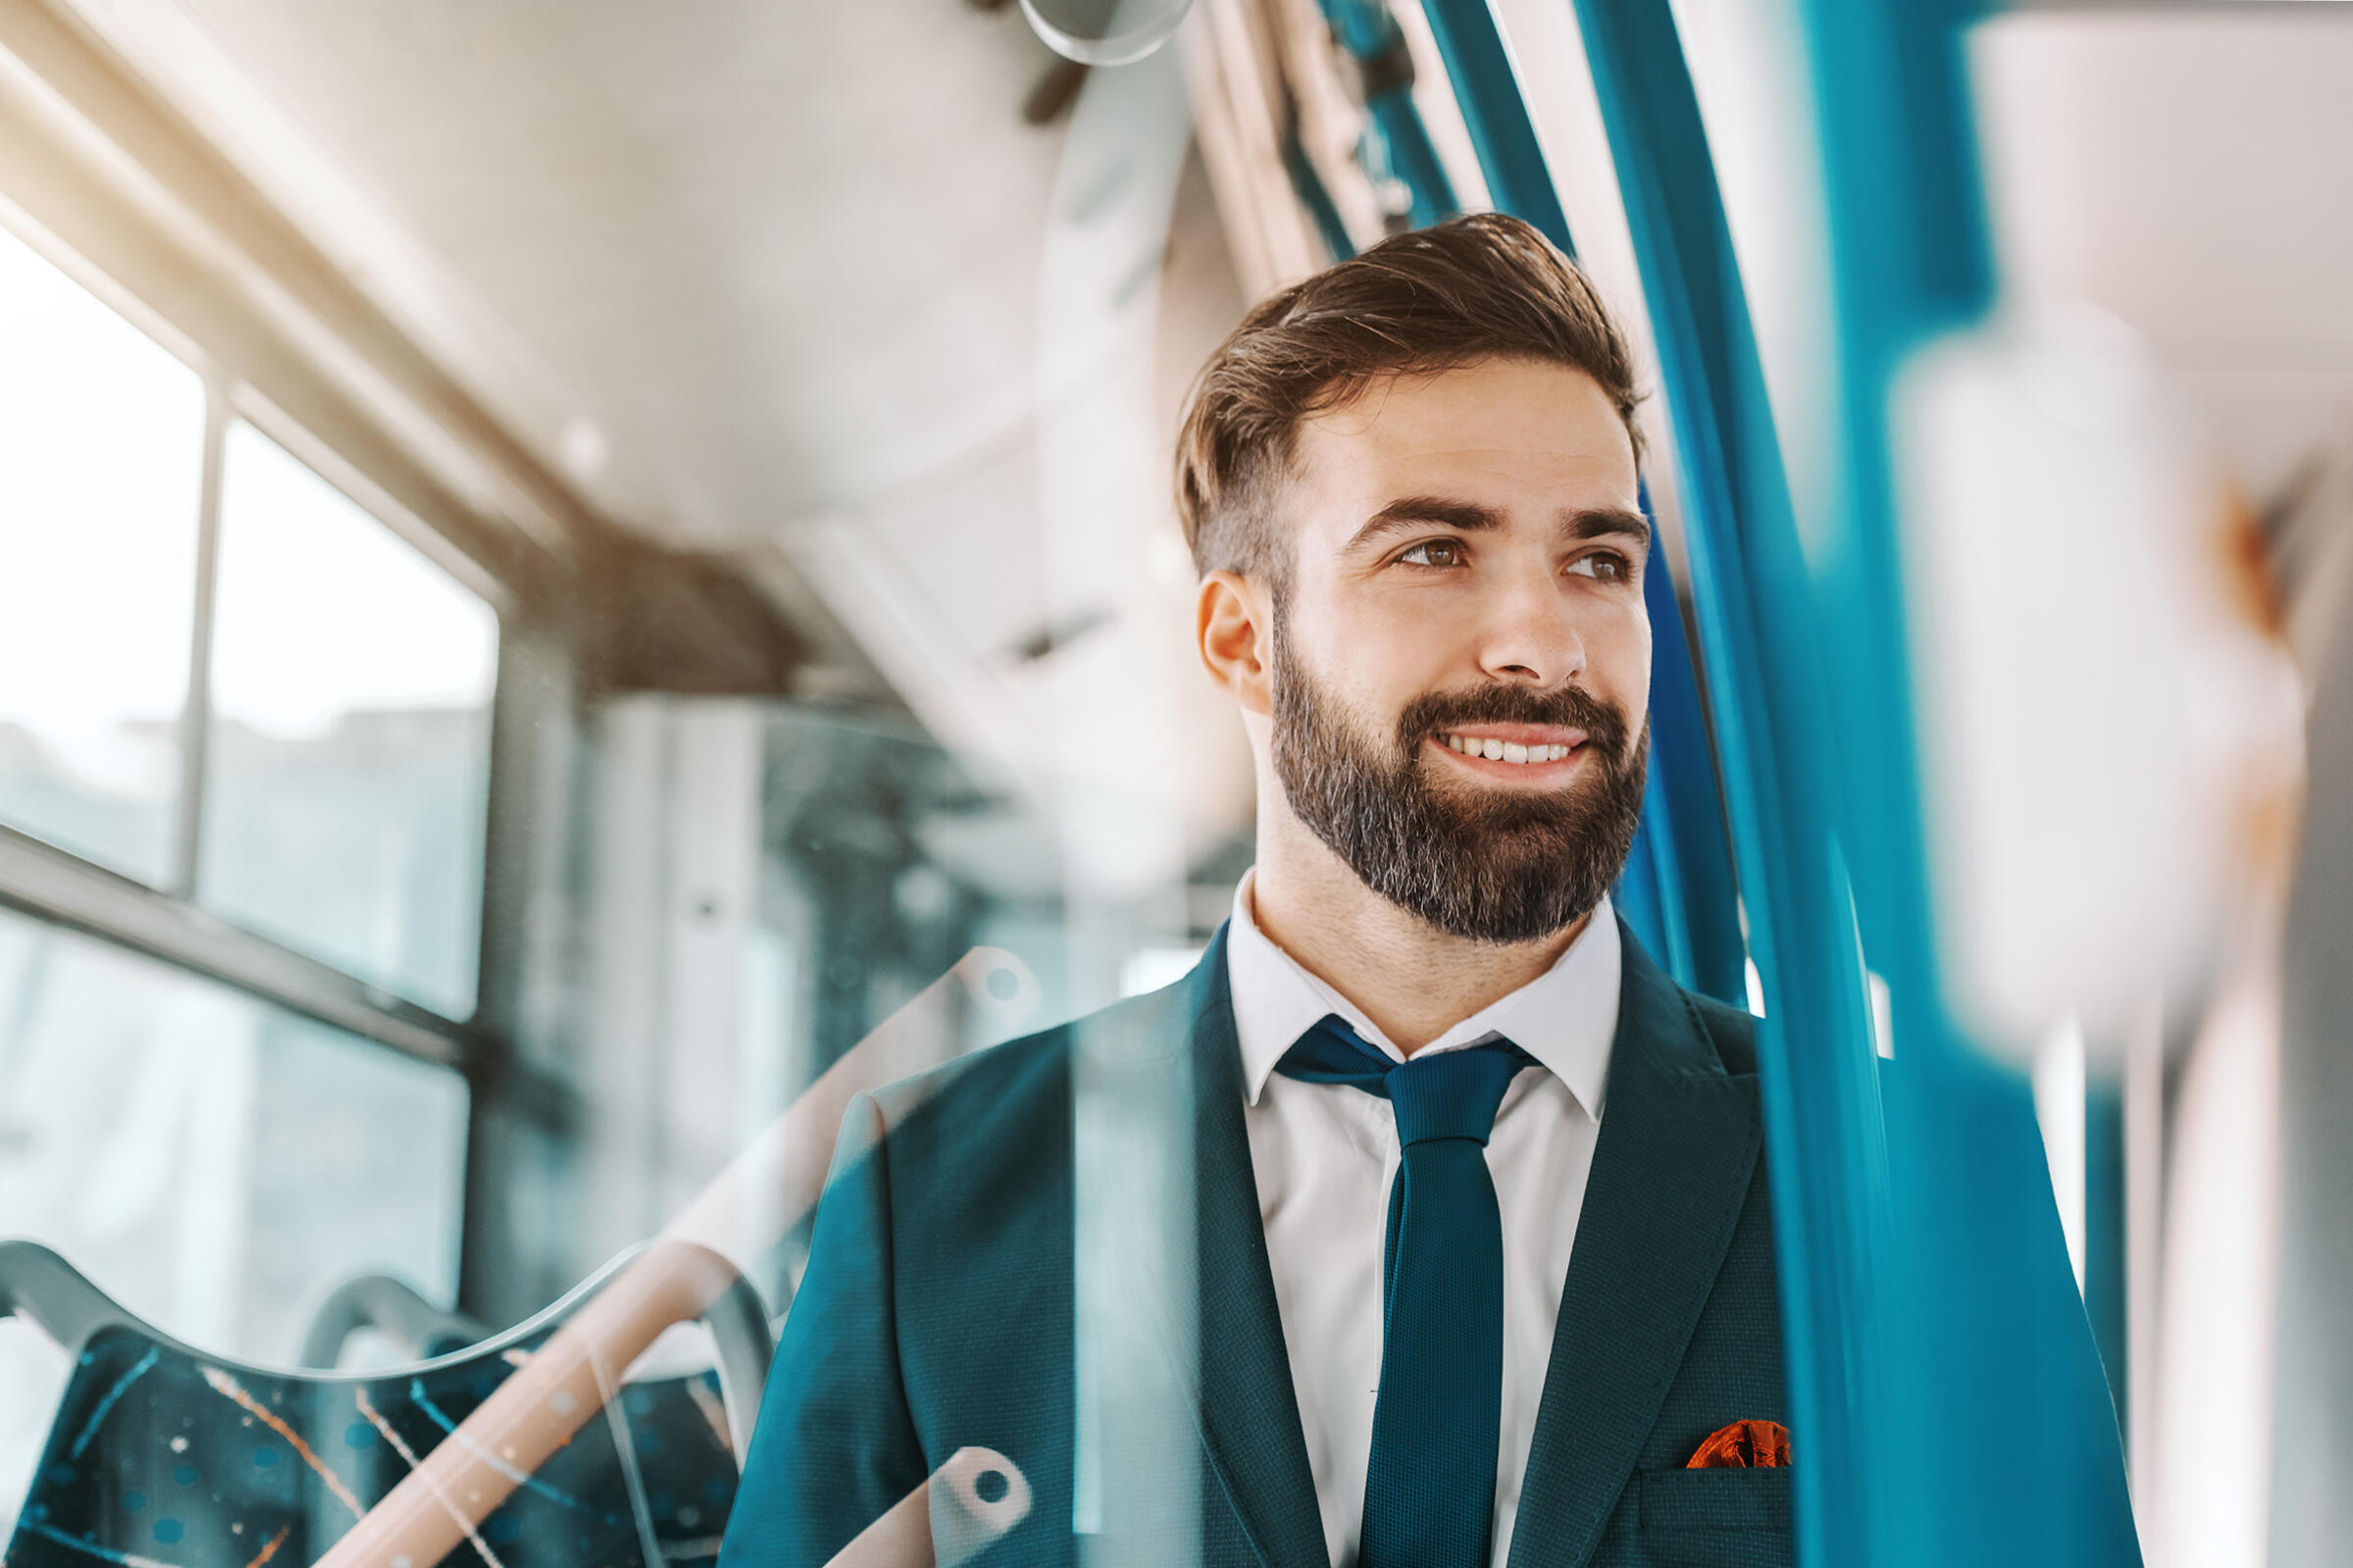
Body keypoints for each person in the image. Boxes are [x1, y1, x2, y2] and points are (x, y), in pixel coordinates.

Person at [713, 215, 2090, 1568]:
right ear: (1244, 641)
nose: (1545, 642)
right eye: (1434, 551)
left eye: (1598, 562)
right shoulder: (934, 1196)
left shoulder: (1907, 1179)